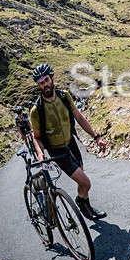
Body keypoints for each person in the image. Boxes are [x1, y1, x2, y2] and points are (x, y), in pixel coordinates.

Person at [29, 63, 108, 220]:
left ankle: (88, 206)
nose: (44, 85)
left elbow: (79, 117)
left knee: (82, 180)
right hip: (57, 150)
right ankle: (81, 202)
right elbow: (36, 136)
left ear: (52, 78)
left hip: (71, 143)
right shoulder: (37, 110)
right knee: (85, 183)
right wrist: (40, 153)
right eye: (40, 82)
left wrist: (96, 137)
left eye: (46, 80)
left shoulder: (64, 96)